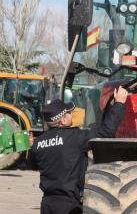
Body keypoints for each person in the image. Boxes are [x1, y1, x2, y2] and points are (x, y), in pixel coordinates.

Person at [26, 85, 128, 214]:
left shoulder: (39, 141)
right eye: (69, 112)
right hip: (68, 205)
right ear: (63, 120)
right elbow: (106, 132)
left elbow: (32, 164)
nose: (71, 114)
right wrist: (119, 104)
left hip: (47, 204)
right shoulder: (75, 137)